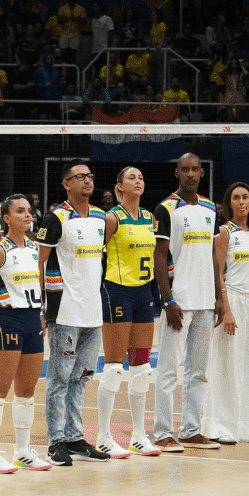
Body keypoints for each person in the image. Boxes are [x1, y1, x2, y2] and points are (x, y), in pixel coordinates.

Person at [37, 159, 111, 465]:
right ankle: (56, 442)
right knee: (59, 378)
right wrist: (41, 308)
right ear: (66, 183)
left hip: (93, 312)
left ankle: (75, 437)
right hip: (65, 311)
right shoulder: (55, 218)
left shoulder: (102, 217)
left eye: (89, 176)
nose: (87, 180)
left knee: (82, 377)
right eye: (79, 176)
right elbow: (39, 263)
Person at [0, 195, 51, 473]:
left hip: (32, 320)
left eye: (29, 210)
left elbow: (38, 285)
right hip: (7, 320)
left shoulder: (34, 248)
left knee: (27, 391)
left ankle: (23, 451)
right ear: (6, 218)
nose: (28, 215)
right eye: (20, 211)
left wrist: (40, 314)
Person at [153, 153, 221, 451]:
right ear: (177, 173)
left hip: (206, 302)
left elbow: (213, 254)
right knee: (169, 370)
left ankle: (191, 430)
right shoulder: (166, 208)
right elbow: (159, 255)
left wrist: (219, 296)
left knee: (198, 371)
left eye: (195, 169)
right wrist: (168, 300)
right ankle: (163, 432)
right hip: (179, 302)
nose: (190, 174)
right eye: (185, 169)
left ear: (202, 172)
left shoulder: (210, 208)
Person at [94, 167, 161, 458]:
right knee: (113, 368)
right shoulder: (112, 218)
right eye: (131, 177)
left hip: (144, 293)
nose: (138, 181)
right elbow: (96, 254)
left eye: (141, 177)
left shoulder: (149, 217)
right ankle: (103, 437)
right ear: (119, 186)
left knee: (142, 367)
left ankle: (139, 436)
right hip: (117, 291)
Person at [203, 182, 249, 444]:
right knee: (226, 365)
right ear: (229, 204)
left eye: (245, 197)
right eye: (236, 198)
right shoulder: (224, 233)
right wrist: (227, 310)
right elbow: (218, 274)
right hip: (232, 300)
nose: (241, 202)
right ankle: (219, 426)